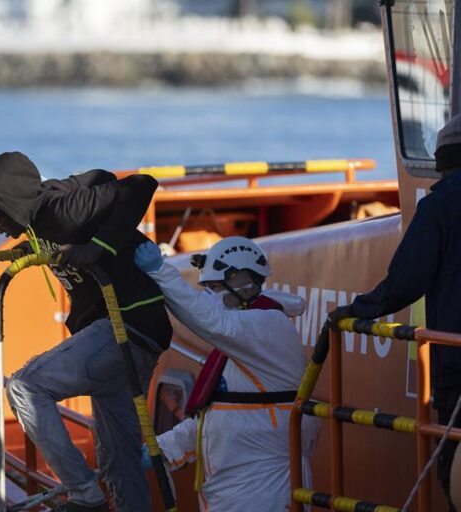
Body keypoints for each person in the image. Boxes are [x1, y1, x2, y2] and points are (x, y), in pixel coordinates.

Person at [0, 151, 172, 512]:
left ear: (11, 202)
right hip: (132, 337)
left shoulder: (63, 210)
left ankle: (83, 495)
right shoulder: (38, 220)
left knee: (25, 387)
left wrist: (98, 247)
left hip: (126, 324)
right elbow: (96, 177)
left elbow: (141, 184)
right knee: (120, 460)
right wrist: (27, 249)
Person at [329, 113, 461, 511]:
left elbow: (406, 281)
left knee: (452, 470)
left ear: (442, 161)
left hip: (456, 362)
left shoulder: (440, 205)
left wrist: (355, 310)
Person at [134, 236, 319, 511]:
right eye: (207, 288)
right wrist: (161, 449)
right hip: (231, 494)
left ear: (245, 284)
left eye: (215, 287)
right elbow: (219, 417)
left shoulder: (266, 326)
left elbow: (210, 320)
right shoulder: (241, 345)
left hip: (265, 496)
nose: (210, 296)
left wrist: (160, 271)